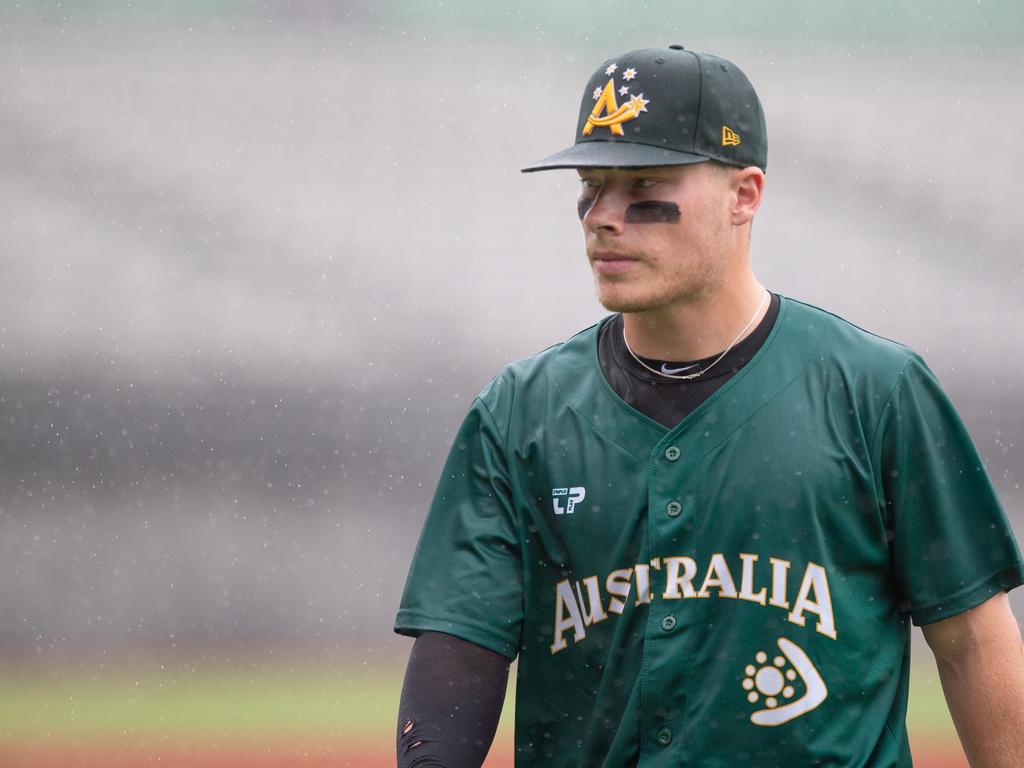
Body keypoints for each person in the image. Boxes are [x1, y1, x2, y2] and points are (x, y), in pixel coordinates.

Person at [393, 45, 1024, 767]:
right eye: (591, 186)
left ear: (745, 195)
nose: (603, 216)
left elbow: (973, 641)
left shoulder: (875, 390)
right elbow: (459, 653)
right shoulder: (521, 413)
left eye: (643, 184)